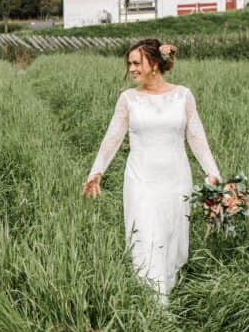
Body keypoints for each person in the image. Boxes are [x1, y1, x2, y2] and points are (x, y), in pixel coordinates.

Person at [82, 39, 220, 305]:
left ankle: (163, 297)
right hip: (141, 181)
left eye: (136, 63)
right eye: (129, 64)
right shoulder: (128, 99)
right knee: (147, 239)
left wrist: (212, 174)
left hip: (176, 180)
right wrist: (96, 172)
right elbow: (112, 138)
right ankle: (157, 312)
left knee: (170, 241)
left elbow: (197, 138)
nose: (131, 69)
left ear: (154, 63)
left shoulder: (183, 95)